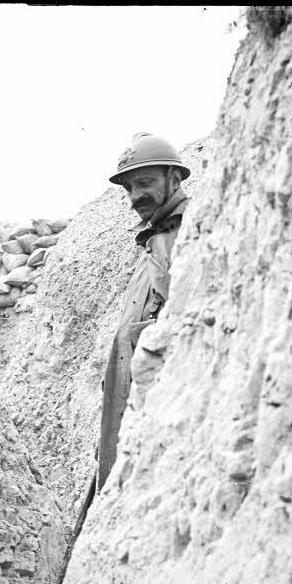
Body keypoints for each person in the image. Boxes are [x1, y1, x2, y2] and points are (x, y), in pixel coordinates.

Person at [74, 133, 192, 536]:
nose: (134, 196)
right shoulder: (155, 240)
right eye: (129, 188)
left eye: (144, 184)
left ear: (174, 178)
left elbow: (185, 319)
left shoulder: (186, 232)